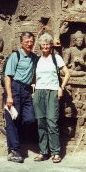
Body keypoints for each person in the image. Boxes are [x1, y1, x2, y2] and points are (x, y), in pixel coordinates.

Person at [33, 33, 70, 163]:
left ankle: (56, 152)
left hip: (53, 91)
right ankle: (43, 152)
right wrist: (34, 89)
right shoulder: (37, 59)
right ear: (40, 46)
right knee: (41, 122)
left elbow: (67, 73)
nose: (45, 46)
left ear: (51, 45)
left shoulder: (56, 58)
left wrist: (61, 88)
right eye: (43, 44)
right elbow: (35, 77)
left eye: (47, 44)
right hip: (39, 92)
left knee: (52, 122)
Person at [4, 31, 38, 163]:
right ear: (21, 43)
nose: (29, 43)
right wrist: (9, 96)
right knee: (13, 119)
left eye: (31, 41)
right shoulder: (15, 56)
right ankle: (14, 151)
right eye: (27, 41)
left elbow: (47, 55)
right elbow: (8, 76)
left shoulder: (34, 57)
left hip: (27, 90)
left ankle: (9, 130)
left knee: (30, 118)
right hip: (15, 88)